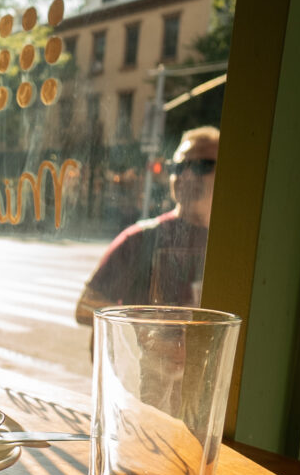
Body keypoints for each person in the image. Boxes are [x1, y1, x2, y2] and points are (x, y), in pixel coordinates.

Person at [75, 126, 220, 326]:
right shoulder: (140, 239)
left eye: (200, 166)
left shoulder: (234, 246)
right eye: (177, 167)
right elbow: (85, 309)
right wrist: (146, 328)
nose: (185, 176)